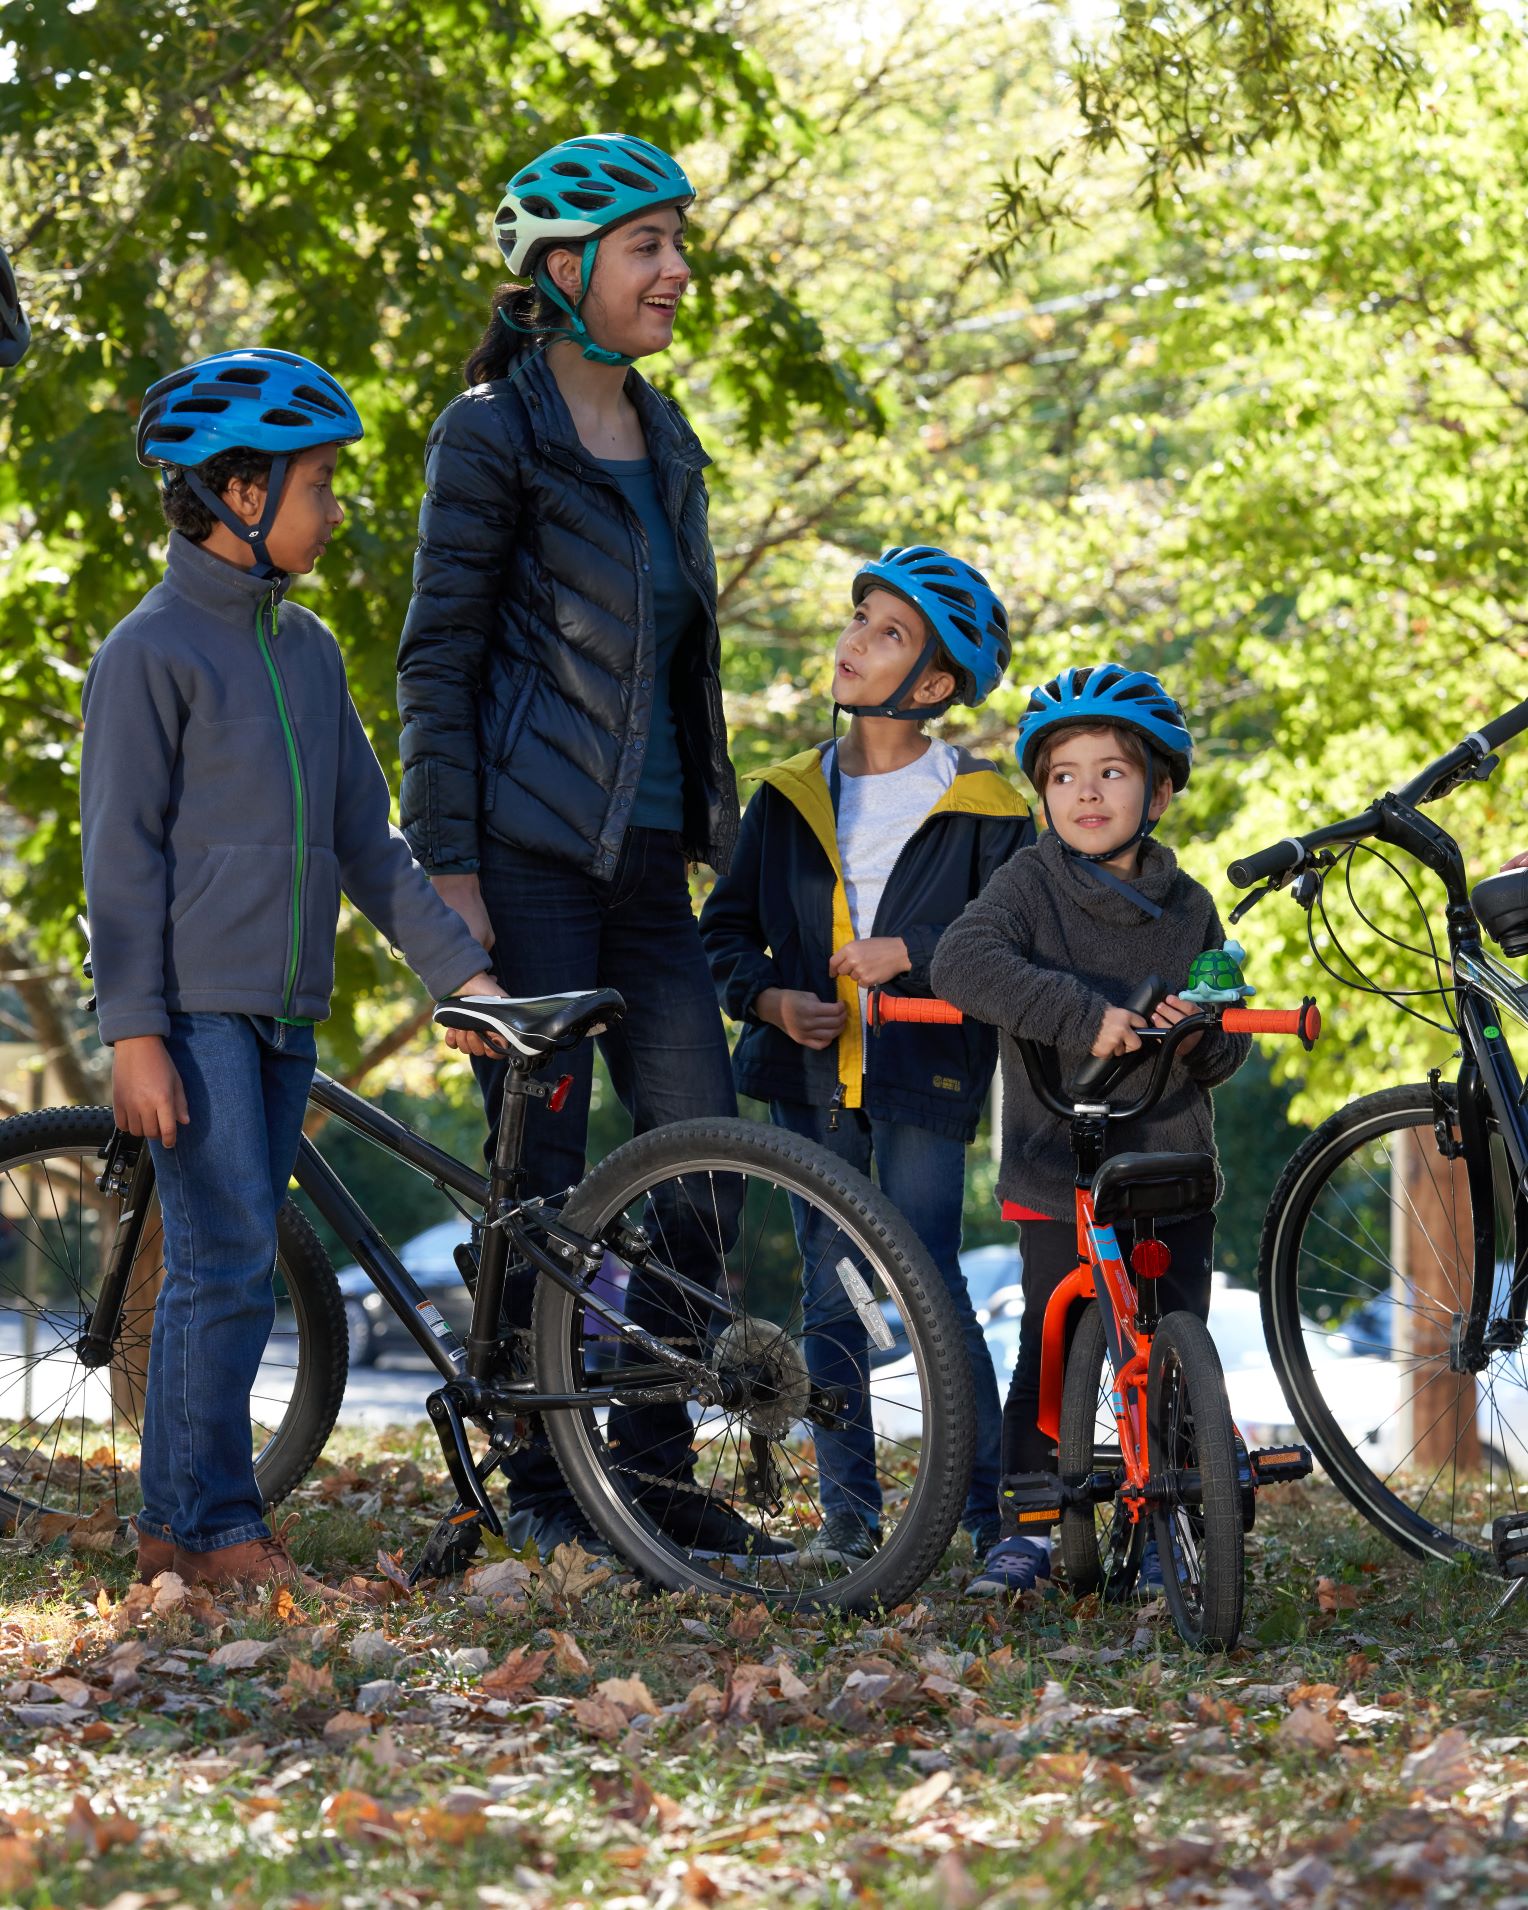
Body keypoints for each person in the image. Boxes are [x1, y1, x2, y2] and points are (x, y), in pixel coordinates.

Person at [397, 134, 783, 1564]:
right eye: (648, 247)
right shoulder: (490, 432)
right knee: (543, 1175)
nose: (678, 270)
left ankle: (652, 1466)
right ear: (564, 272)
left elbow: (679, 669)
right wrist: (451, 879)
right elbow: (436, 659)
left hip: (651, 866)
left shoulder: (665, 433)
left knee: (702, 1162)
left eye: (681, 243)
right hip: (528, 854)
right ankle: (541, 1476)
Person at [81, 349, 500, 1592]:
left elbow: (370, 844)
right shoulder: (149, 650)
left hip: (282, 1011)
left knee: (232, 1260)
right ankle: (211, 1536)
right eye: (317, 481)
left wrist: (461, 976)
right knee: (222, 1263)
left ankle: (180, 1529)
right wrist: (135, 1032)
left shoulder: (306, 651)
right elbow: (119, 862)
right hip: (195, 1011)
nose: (333, 506)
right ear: (238, 494)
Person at [699, 545, 1032, 1563]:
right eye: (856, 618)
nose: (853, 642)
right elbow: (723, 931)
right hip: (808, 1080)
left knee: (929, 1278)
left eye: (888, 632)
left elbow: (1015, 944)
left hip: (923, 1076)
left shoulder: (990, 813)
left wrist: (914, 954)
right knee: (828, 1285)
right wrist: (764, 995)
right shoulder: (791, 794)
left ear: (933, 683)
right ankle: (851, 1524)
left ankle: (989, 1517)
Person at [930, 663, 1251, 1596]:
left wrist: (1201, 1034)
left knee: (1171, 1345)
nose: (1086, 793)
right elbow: (961, 961)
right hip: (1054, 1162)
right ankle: (1028, 1525)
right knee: (1057, 1337)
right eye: (1064, 775)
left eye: (1111, 772)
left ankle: (1168, 1523)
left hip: (1168, 1159)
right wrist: (1084, 1015)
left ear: (1158, 790)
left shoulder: (1189, 904)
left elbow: (1221, 1044)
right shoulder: (1030, 884)